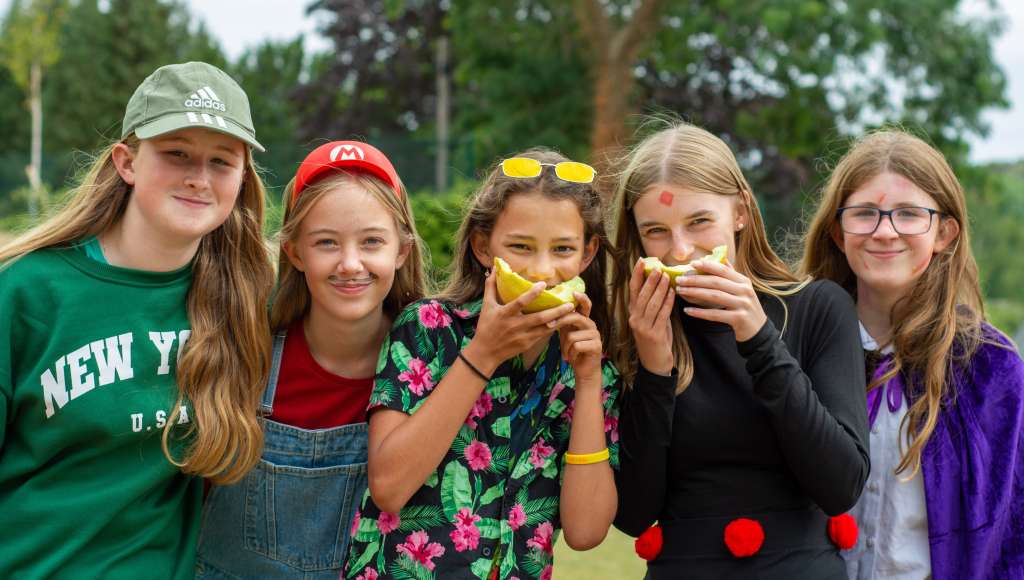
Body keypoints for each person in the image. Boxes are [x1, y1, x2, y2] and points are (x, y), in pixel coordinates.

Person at [0, 61, 273, 579]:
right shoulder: (27, 292)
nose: (198, 177)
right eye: (176, 154)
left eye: (222, 161)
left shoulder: (246, 297)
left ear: (242, 178)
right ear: (126, 162)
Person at [343, 150, 620, 580]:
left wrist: (586, 383)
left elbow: (585, 532)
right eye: (520, 247)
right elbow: (389, 488)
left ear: (587, 255)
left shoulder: (593, 369)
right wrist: (483, 354)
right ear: (482, 247)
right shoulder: (429, 328)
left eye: (563, 248)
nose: (543, 271)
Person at [610, 121, 870, 578]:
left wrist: (759, 338)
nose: (681, 251)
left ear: (741, 213)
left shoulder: (816, 307)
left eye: (699, 222)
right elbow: (633, 514)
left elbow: (841, 484)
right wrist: (654, 369)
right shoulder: (637, 328)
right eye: (656, 231)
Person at [196, 140, 429, 579]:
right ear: (295, 251)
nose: (350, 264)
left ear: (401, 250)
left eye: (372, 241)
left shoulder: (434, 369)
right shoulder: (246, 355)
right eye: (326, 242)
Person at [801, 130, 1024, 579]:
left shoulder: (991, 367)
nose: (885, 231)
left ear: (944, 232)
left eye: (908, 214)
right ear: (837, 231)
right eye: (864, 214)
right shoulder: (794, 345)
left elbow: (1011, 533)